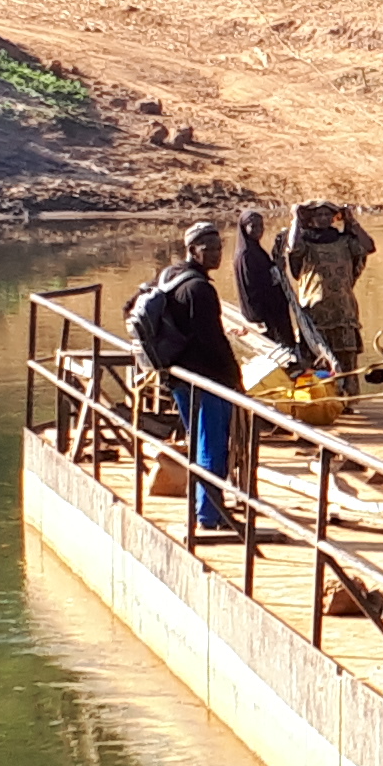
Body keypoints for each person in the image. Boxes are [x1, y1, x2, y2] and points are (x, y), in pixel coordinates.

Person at [125, 223, 245, 538]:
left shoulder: (169, 277)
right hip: (205, 381)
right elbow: (212, 341)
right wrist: (235, 377)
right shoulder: (199, 290)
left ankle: (207, 508)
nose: (217, 254)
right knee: (212, 446)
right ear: (192, 250)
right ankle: (209, 513)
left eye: (220, 247)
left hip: (178, 377)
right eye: (209, 248)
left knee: (200, 443)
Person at [280, 200, 378, 374]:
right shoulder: (306, 243)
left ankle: (347, 398)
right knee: (316, 360)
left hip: (343, 311)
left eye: (327, 214)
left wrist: (352, 222)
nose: (324, 218)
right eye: (319, 215)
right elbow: (292, 248)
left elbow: (368, 247)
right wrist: (296, 219)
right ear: (311, 218)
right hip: (315, 313)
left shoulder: (344, 241)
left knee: (346, 361)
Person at [218, 206, 303, 377]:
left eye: (260, 226)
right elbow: (253, 288)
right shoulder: (245, 255)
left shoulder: (256, 250)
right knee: (278, 351)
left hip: (274, 308)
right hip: (266, 313)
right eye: (253, 226)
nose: (258, 230)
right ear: (244, 228)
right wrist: (260, 317)